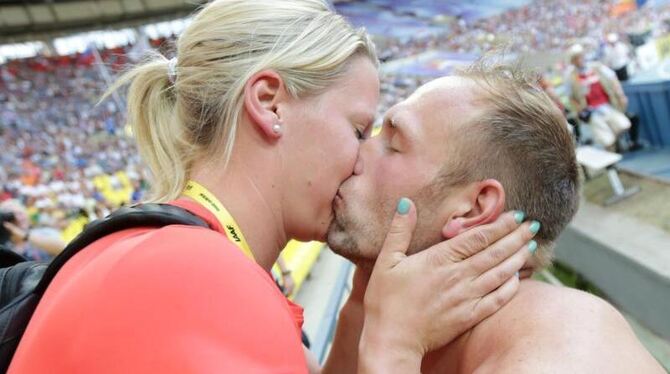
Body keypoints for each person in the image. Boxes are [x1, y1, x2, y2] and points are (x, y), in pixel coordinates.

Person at [9, 1, 534, 373]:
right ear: (269, 103)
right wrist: (395, 348)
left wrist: (361, 309)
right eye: (357, 129)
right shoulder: (199, 281)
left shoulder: (175, 253)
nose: (361, 159)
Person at [327, 60, 665, 373]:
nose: (357, 151)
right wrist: (366, 300)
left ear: (473, 208)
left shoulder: (565, 353)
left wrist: (390, 352)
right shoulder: (408, 323)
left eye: (393, 143)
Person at [566, 44, 640, 151]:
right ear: (572, 61)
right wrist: (580, 109)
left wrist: (620, 94)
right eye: (576, 58)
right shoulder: (571, 77)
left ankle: (620, 145)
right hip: (591, 111)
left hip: (607, 105)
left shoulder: (596, 67)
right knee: (607, 140)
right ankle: (613, 155)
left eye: (581, 56)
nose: (580, 60)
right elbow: (570, 98)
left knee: (624, 125)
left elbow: (613, 78)